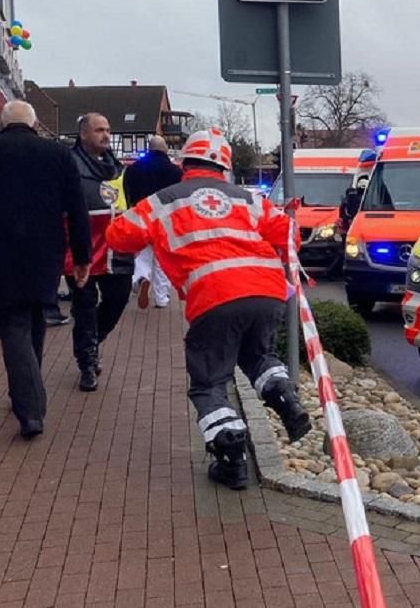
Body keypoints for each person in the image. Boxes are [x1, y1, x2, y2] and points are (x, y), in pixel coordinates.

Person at [105, 128, 310, 490]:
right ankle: (284, 396)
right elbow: (289, 235)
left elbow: (120, 237)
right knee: (259, 356)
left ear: (184, 162)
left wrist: (115, 215)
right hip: (267, 290)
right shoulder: (248, 198)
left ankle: (231, 460)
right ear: (226, 166)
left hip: (213, 296)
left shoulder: (163, 200)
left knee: (209, 382)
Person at [0, 101, 91, 439]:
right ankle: (27, 394)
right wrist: (83, 256)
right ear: (34, 122)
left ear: (1, 123)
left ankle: (29, 408)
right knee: (36, 313)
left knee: (13, 321)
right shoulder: (56, 154)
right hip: (45, 249)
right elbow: (77, 207)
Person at [65, 113, 133, 392]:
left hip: (116, 248)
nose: (106, 135)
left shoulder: (117, 167)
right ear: (83, 134)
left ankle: (93, 342)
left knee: (117, 300)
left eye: (108, 129)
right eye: (98, 130)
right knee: (84, 306)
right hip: (80, 248)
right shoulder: (68, 165)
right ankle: (87, 363)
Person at [122, 134, 181, 309]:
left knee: (142, 253)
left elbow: (127, 193)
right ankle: (161, 298)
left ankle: (141, 277)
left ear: (149, 148)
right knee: (162, 259)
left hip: (141, 216)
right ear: (165, 149)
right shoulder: (175, 171)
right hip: (166, 219)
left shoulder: (133, 169)